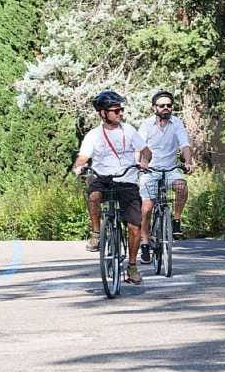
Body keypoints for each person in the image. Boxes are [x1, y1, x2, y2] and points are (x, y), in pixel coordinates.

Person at [73, 90, 151, 285]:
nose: (120, 113)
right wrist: (79, 166)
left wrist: (144, 162)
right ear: (102, 113)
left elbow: (146, 151)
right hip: (104, 177)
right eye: (115, 110)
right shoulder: (93, 135)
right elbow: (84, 156)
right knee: (93, 195)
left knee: (134, 225)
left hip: (127, 179)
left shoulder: (129, 131)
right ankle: (96, 233)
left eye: (121, 110)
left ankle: (132, 266)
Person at [137, 91, 194, 264]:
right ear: (154, 108)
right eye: (162, 105)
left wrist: (188, 161)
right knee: (146, 208)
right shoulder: (146, 124)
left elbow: (185, 145)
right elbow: (139, 146)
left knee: (181, 187)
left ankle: (176, 219)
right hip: (150, 170)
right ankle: (145, 243)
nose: (166, 108)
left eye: (169, 105)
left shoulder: (177, 123)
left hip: (171, 169)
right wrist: (140, 164)